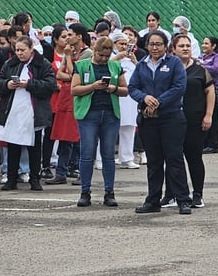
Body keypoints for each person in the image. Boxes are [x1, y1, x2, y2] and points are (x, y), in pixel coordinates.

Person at [128, 31, 192, 215]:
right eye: (151, 44)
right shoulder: (141, 65)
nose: (155, 48)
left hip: (171, 118)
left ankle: (183, 200)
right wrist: (145, 98)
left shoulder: (174, 64)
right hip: (149, 119)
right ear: (146, 45)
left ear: (166, 46)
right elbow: (133, 88)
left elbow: (179, 87)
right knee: (154, 162)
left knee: (174, 159)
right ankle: (153, 200)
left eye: (159, 44)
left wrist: (158, 101)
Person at [70, 36, 128, 207]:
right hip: (89, 114)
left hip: (110, 114)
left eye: (107, 56)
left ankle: (109, 192)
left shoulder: (116, 66)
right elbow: (74, 90)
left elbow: (125, 90)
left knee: (109, 154)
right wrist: (93, 87)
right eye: (101, 55)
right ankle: (85, 191)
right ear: (94, 51)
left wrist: (114, 88)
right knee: (87, 153)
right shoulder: (81, 65)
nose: (103, 59)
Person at [0, 36, 57, 192]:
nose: (19, 53)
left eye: (23, 50)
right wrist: (7, 84)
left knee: (34, 148)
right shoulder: (10, 64)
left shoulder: (43, 64)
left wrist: (29, 84)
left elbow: (50, 85)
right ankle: (11, 178)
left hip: (33, 111)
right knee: (13, 145)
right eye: (17, 50)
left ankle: (35, 179)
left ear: (31, 49)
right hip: (13, 111)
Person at [165, 34, 213, 208]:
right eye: (181, 46)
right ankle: (171, 195)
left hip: (195, 121)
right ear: (173, 49)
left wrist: (208, 115)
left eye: (187, 45)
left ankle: (197, 195)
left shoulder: (200, 69)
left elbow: (210, 92)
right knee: (172, 158)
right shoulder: (168, 68)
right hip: (172, 120)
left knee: (194, 158)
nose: (185, 48)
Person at [45, 26, 80, 185]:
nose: (67, 38)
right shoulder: (69, 54)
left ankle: (71, 169)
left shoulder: (84, 54)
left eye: (70, 35)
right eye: (65, 35)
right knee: (64, 136)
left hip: (76, 99)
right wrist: (67, 59)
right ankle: (61, 171)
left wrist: (67, 58)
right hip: (65, 100)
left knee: (75, 137)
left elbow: (74, 75)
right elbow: (59, 74)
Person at [110, 32, 140, 169]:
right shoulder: (110, 57)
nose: (123, 47)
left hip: (130, 100)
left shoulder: (130, 60)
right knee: (110, 129)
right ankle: (105, 157)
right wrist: (117, 57)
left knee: (128, 127)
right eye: (120, 44)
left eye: (125, 44)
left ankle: (127, 158)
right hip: (114, 97)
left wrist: (134, 61)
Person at [199, 36, 218, 154]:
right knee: (203, 116)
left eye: (206, 43)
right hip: (202, 91)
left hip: (214, 90)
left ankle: (213, 144)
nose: (203, 45)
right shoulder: (201, 57)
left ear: (213, 46)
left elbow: (216, 69)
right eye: (203, 43)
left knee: (213, 117)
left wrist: (202, 66)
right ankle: (204, 143)